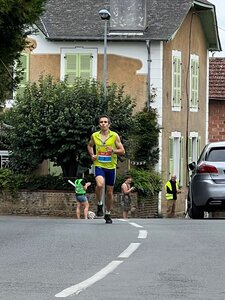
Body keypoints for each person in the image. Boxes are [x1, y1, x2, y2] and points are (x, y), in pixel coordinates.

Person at [87, 115, 125, 224]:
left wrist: (113, 150)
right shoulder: (94, 136)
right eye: (101, 122)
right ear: (99, 124)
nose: (103, 123)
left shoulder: (114, 136)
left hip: (111, 166)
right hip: (99, 164)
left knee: (109, 192)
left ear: (109, 124)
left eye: (105, 122)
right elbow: (89, 146)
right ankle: (99, 204)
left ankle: (107, 213)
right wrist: (92, 154)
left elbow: (122, 151)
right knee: (99, 184)